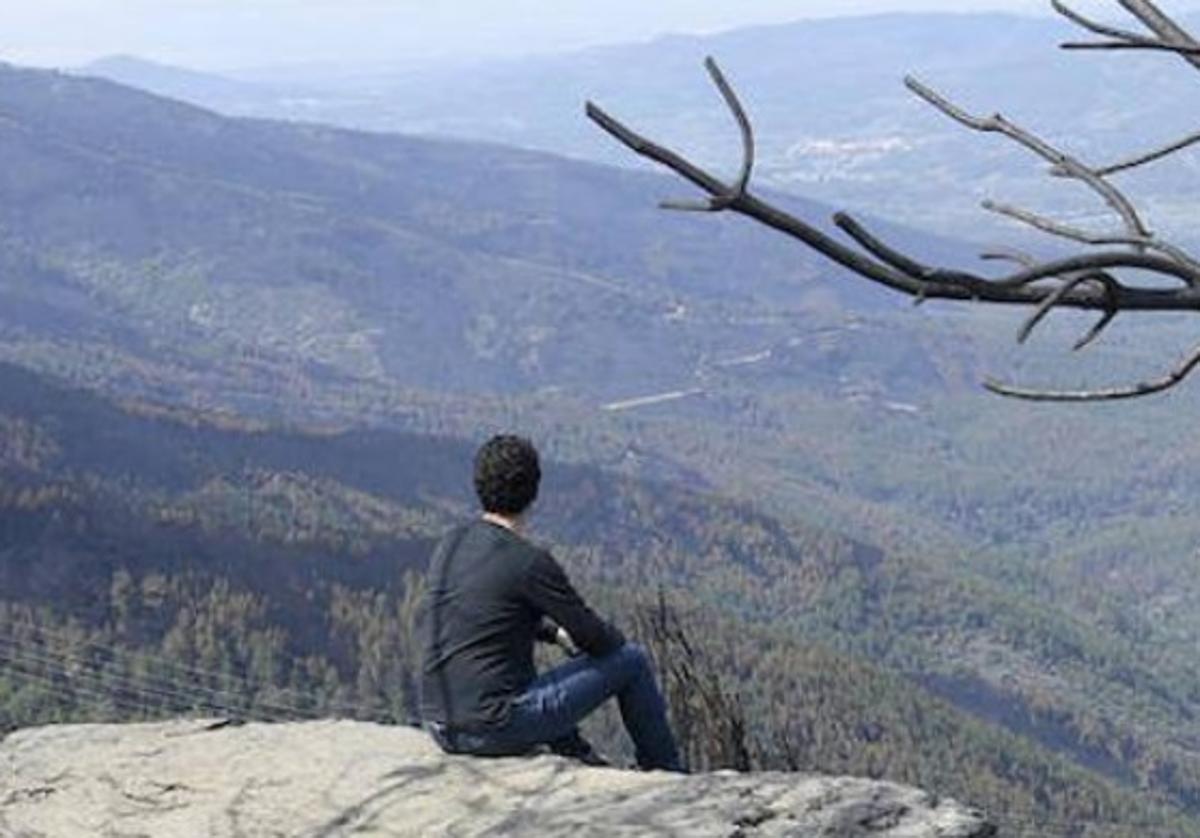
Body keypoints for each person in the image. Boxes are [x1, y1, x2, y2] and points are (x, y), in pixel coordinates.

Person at [418, 433, 682, 772]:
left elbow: (490, 618)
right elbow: (597, 640)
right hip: (492, 730)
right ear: (533, 493)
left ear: (479, 485)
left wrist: (553, 633)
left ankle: (577, 753)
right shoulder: (529, 562)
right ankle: (666, 773)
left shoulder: (451, 544)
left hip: (440, 724)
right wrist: (585, 637)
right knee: (632, 660)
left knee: (508, 659)